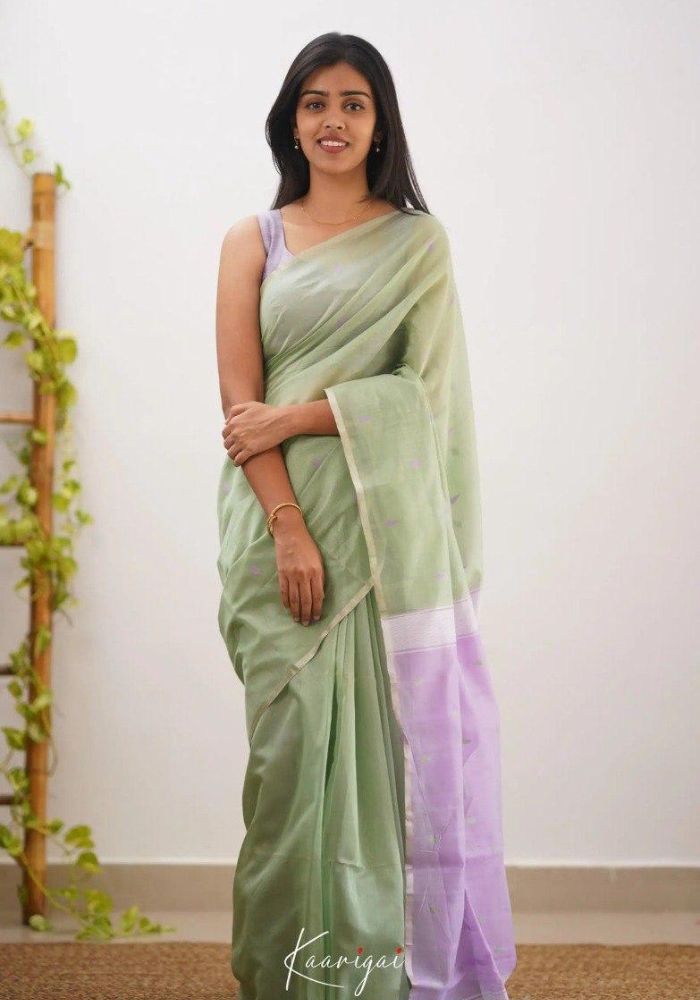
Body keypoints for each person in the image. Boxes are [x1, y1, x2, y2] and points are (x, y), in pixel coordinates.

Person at [215, 31, 517, 1000]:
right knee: (288, 770)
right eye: (315, 102)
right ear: (291, 120)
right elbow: (239, 409)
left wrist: (299, 415)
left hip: (384, 544)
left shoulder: (417, 244)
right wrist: (288, 526)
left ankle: (370, 979)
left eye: (353, 102)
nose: (333, 120)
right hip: (275, 531)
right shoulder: (252, 240)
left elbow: (422, 400)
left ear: (379, 122)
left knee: (382, 773)